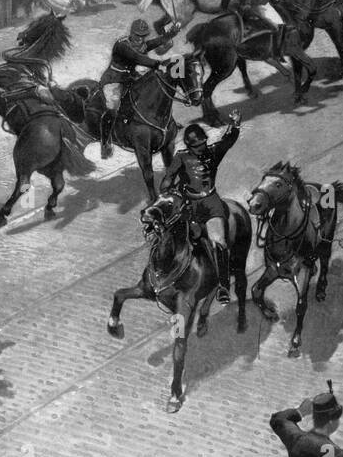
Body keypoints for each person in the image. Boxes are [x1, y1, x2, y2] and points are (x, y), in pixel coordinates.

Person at [161, 114, 242, 304]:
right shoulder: (181, 157)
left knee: (219, 241)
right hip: (189, 204)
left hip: (210, 203)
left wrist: (235, 124)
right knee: (170, 235)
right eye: (197, 146)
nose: (202, 148)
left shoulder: (213, 151)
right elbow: (168, 177)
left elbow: (228, 140)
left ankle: (223, 286)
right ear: (189, 147)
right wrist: (165, 190)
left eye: (203, 143)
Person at [98, 18, 180, 159]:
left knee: (151, 91)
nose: (141, 39)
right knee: (113, 107)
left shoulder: (140, 43)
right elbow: (137, 58)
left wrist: (171, 34)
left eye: (143, 36)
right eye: (138, 35)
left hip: (130, 78)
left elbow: (153, 43)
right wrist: (158, 64)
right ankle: (105, 142)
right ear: (132, 33)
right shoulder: (122, 45)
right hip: (114, 80)